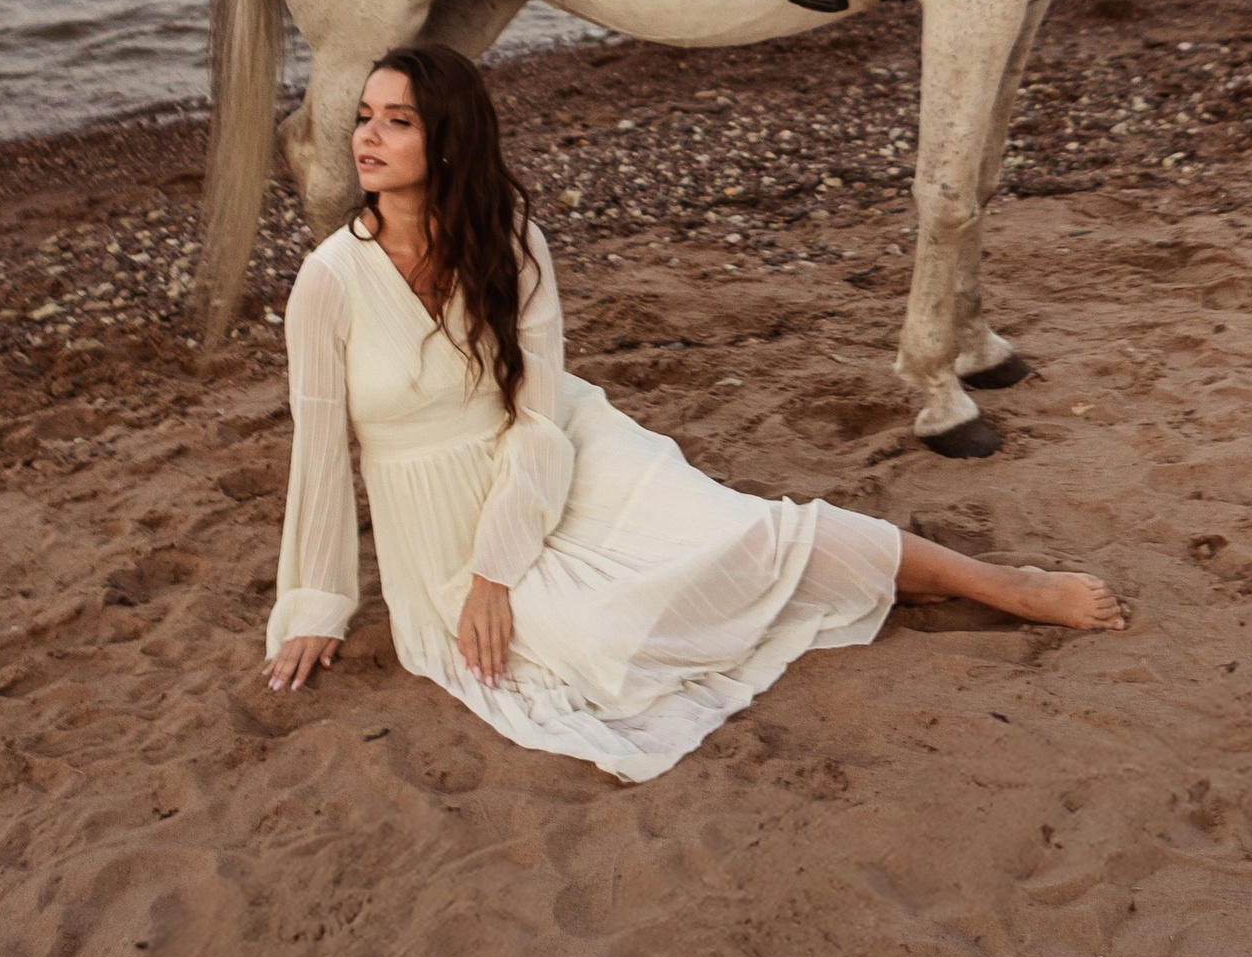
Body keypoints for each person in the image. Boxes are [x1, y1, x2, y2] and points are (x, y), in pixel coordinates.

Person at [262, 41, 1124, 782]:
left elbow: (537, 414)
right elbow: (319, 455)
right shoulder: (330, 280)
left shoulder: (511, 243)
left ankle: (998, 583)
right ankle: (861, 588)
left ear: (449, 140)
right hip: (436, 520)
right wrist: (315, 606)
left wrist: (498, 572)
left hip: (560, 452)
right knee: (599, 641)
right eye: (364, 118)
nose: (366, 137)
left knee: (745, 534)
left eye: (397, 121)